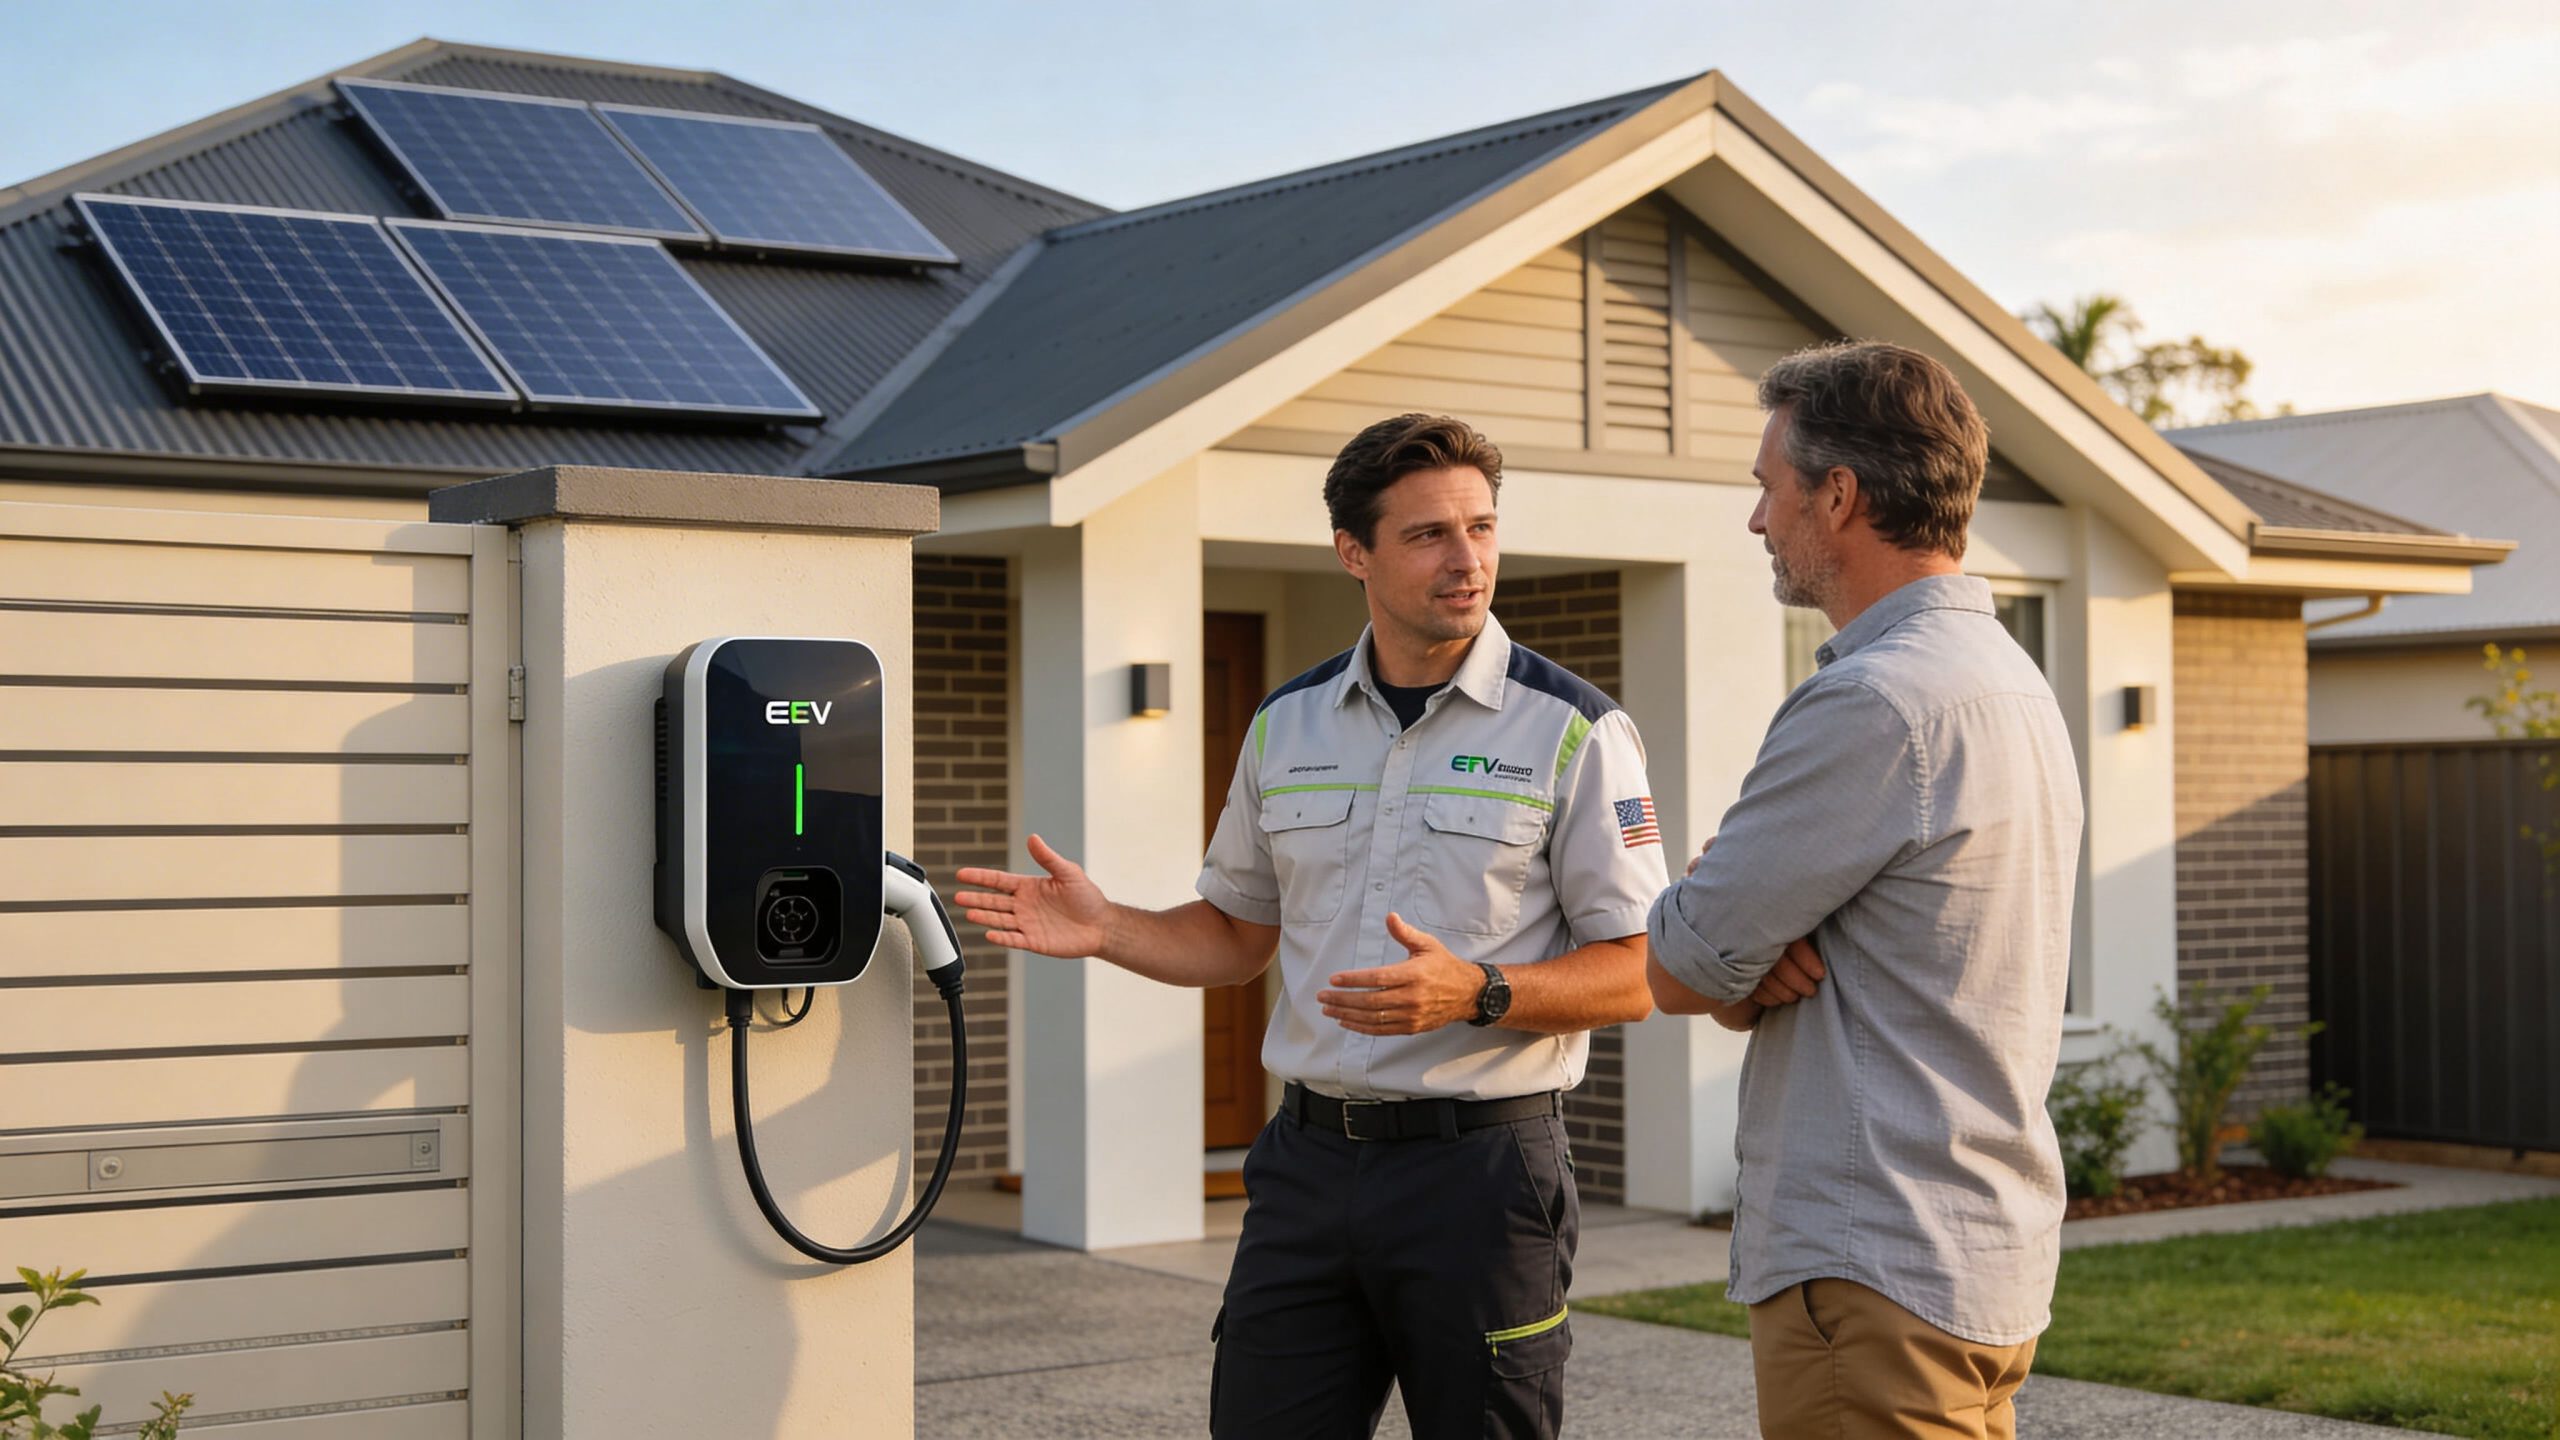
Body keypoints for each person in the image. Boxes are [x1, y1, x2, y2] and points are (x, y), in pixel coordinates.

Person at [955, 413, 1665, 1439]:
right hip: (1306, 1168)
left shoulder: (1574, 731)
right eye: (1428, 535)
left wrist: (1481, 992)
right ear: (1353, 554)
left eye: (1481, 527)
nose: (1467, 560)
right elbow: (1240, 934)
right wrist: (1110, 928)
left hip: (1481, 1176)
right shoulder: (1284, 724)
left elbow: (1643, 969)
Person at [1645, 341, 2084, 1440]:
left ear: (1836, 496)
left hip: (1871, 1266)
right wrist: (1744, 950)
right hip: (1973, 1257)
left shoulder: (1874, 704)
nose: (1757, 519)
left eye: (1767, 486)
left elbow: (1684, 960)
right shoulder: (2011, 684)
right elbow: (1732, 963)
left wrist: (1724, 919)